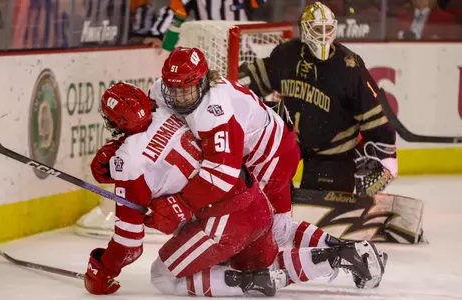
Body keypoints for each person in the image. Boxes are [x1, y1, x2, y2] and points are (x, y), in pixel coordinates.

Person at [83, 82, 387, 297]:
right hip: (252, 194)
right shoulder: (173, 114)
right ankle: (339, 254)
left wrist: (103, 270)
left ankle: (248, 282)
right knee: (271, 243)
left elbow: (128, 242)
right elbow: (163, 155)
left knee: (163, 276)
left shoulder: (128, 163)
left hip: (225, 217)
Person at [238, 2, 401, 241]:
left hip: (334, 154)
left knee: (318, 222)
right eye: (317, 29)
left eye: (328, 28)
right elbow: (254, 79)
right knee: (268, 191)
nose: (324, 35)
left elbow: (374, 114)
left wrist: (386, 158)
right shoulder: (287, 54)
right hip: (292, 146)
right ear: (305, 30)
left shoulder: (348, 66)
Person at [146, 0, 265, 50]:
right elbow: (175, 10)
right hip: (211, 53)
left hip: (244, 53)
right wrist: (158, 35)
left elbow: (259, 3)